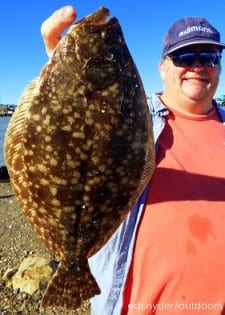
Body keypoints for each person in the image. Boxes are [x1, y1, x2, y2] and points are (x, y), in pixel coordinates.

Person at [41, 7, 225, 315]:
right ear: (162, 68)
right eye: (183, 58)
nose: (197, 66)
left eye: (208, 57)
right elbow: (73, 127)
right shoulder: (130, 117)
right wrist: (64, 74)